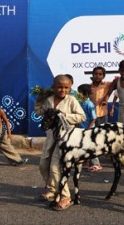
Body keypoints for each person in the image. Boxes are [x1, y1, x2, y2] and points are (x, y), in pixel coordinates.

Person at [35, 74, 86, 211]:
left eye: (66, 87)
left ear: (70, 88)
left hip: (66, 141)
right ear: (54, 87)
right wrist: (39, 100)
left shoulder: (71, 101)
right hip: (51, 137)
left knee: (55, 167)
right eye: (59, 87)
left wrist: (65, 115)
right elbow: (39, 112)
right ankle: (52, 190)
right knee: (43, 164)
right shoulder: (49, 100)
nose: (62, 90)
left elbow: (82, 117)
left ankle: (65, 197)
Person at [77, 83, 102, 172]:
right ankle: (86, 161)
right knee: (83, 146)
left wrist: (88, 129)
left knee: (91, 147)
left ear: (85, 93)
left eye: (79, 92)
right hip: (82, 128)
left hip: (88, 129)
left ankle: (96, 164)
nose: (77, 94)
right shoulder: (80, 102)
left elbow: (94, 118)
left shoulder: (89, 104)